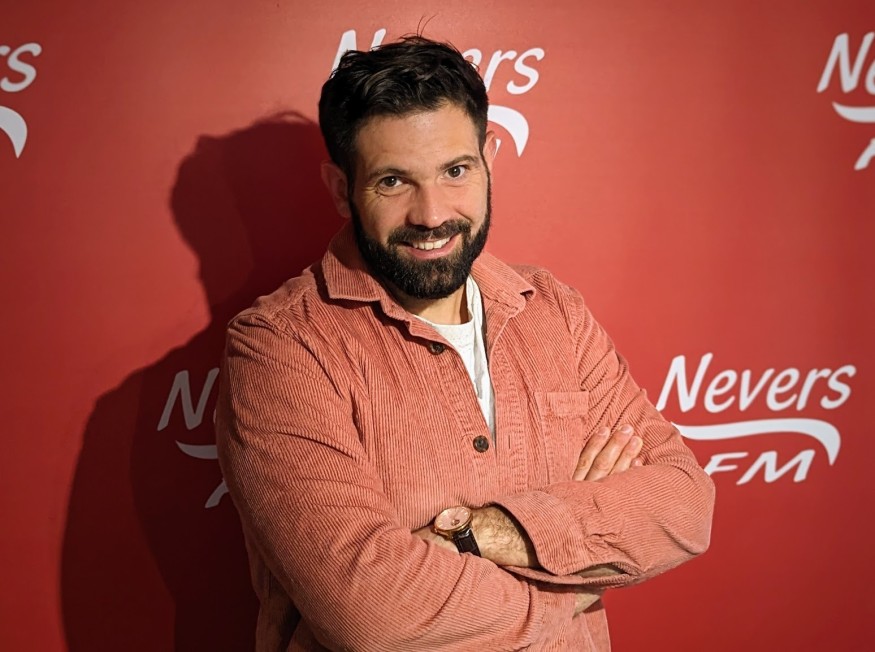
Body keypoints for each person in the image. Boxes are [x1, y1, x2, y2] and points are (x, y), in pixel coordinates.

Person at [215, 35, 715, 651]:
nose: (432, 214)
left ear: (488, 159)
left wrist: (475, 536)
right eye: (394, 181)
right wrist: (581, 576)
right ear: (342, 188)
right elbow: (374, 614)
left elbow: (685, 505)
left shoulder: (553, 311)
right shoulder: (280, 347)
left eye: (455, 171)